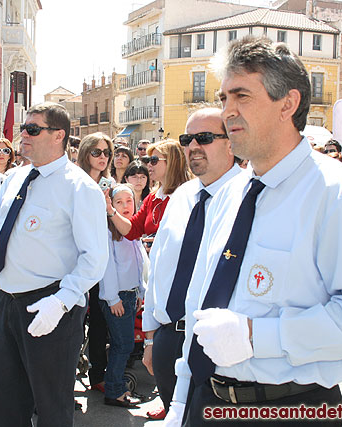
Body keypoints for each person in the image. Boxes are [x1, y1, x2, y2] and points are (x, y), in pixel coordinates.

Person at [166, 37, 342, 426]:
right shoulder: (231, 192)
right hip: (209, 401)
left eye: (241, 96)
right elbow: (200, 304)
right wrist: (182, 398)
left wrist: (260, 335)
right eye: (224, 98)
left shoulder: (338, 194)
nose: (228, 112)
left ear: (288, 104)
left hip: (290, 408)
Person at [0, 102, 109, 427]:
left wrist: (61, 302)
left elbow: (94, 258)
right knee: (5, 406)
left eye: (33, 129)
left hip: (49, 304)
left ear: (59, 135)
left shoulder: (79, 187)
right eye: (24, 128)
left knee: (51, 408)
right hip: (6, 303)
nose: (24, 135)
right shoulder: (15, 178)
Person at [141, 108, 242, 421]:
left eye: (205, 137)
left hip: (216, 342)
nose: (193, 146)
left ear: (231, 143)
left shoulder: (247, 196)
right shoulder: (183, 195)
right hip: (169, 338)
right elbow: (160, 266)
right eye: (187, 139)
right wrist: (150, 337)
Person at [99, 184, 146, 408]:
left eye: (129, 201)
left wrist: (140, 291)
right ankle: (114, 391)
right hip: (117, 297)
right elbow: (107, 267)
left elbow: (138, 263)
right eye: (119, 202)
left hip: (129, 295)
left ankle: (116, 387)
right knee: (122, 345)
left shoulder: (130, 229)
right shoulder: (109, 231)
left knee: (124, 345)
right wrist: (112, 298)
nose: (125, 206)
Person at [76, 131, 114, 394]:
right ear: (85, 153)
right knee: (74, 321)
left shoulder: (111, 184)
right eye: (97, 152)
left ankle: (98, 374)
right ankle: (68, 377)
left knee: (101, 321)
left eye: (107, 153)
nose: (103, 157)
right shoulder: (74, 181)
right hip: (75, 260)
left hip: (103, 260)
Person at [108, 139, 192, 250]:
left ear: (172, 162)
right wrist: (110, 210)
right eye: (148, 160)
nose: (148, 165)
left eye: (154, 160)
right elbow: (132, 230)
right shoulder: (152, 198)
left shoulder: (190, 196)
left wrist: (165, 243)